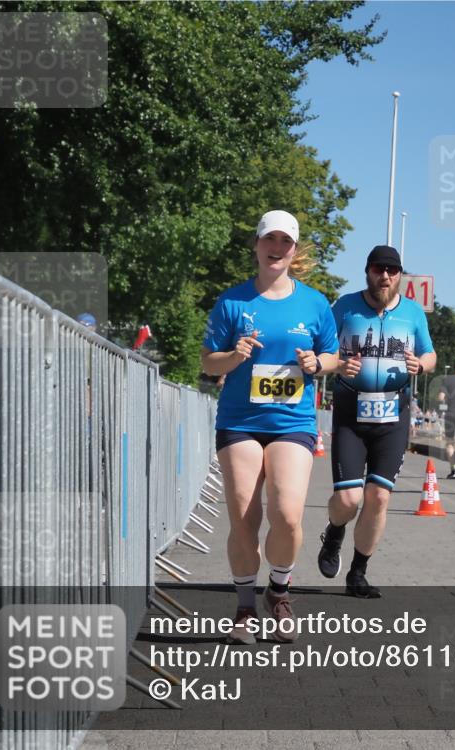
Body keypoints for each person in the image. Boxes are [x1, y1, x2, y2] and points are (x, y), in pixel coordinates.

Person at [201, 210, 339, 643]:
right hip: (240, 420)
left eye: (285, 242)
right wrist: (234, 356)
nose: (276, 248)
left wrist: (318, 363)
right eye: (269, 240)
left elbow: (332, 357)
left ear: (294, 250)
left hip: (292, 420)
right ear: (257, 246)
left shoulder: (314, 303)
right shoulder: (233, 302)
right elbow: (207, 362)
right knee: (243, 514)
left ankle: (278, 592)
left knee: (287, 513)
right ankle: (244, 607)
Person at [317, 245, 436, 597]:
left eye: (392, 270)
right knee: (349, 499)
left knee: (379, 497)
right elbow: (324, 349)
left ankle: (358, 572)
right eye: (377, 269)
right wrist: (338, 364)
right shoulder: (345, 306)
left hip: (393, 414)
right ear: (367, 271)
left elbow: (429, 353)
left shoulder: (413, 313)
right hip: (351, 413)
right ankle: (334, 533)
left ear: (400, 275)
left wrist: (422, 365)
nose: (384, 276)